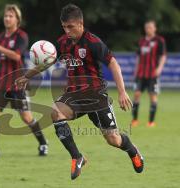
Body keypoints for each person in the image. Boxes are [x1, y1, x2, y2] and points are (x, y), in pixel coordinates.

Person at [16, 4, 144, 180]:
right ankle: (77, 156)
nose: (67, 31)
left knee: (113, 140)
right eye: (64, 27)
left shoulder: (93, 42)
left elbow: (113, 64)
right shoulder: (63, 43)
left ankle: (132, 150)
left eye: (70, 27)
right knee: (56, 112)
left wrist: (122, 92)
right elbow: (47, 62)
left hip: (96, 96)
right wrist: (27, 76)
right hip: (74, 95)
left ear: (80, 24)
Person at [0, 4, 48, 157]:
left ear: (17, 19)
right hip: (1, 83)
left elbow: (17, 56)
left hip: (17, 83)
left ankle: (43, 143)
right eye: (6, 16)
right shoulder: (0, 38)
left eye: (11, 16)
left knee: (26, 117)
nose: (7, 18)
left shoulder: (21, 36)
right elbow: (3, 61)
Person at [132, 20, 167, 127]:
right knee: (137, 94)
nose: (149, 29)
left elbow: (163, 56)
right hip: (141, 74)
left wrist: (160, 68)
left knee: (152, 96)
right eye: (147, 28)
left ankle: (151, 122)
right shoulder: (142, 41)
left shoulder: (159, 40)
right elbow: (138, 56)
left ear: (155, 28)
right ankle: (135, 120)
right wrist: (136, 70)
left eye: (151, 27)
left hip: (152, 74)